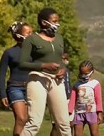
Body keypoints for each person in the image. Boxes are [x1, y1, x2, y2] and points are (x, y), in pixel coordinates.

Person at [18, 8, 72, 136]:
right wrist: (43, 65)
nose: (57, 24)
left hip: (57, 81)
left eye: (58, 21)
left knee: (64, 123)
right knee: (34, 122)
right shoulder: (31, 39)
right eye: (54, 21)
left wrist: (63, 69)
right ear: (44, 23)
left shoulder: (59, 39)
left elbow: (61, 60)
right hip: (38, 79)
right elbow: (22, 63)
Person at [0, 21, 33, 136]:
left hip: (31, 89)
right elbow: (2, 75)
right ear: (19, 35)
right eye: (28, 33)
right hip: (15, 88)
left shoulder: (34, 52)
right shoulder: (9, 53)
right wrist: (2, 94)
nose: (31, 35)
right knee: (21, 118)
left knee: (28, 121)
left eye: (31, 32)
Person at [68, 60, 103, 136]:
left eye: (86, 74)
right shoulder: (76, 85)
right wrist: (69, 113)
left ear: (92, 72)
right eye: (82, 73)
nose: (84, 75)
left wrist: (99, 113)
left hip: (92, 112)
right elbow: (72, 100)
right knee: (77, 134)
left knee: (94, 133)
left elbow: (98, 99)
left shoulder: (95, 84)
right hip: (79, 113)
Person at [52, 52, 73, 136]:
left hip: (68, 98)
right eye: (63, 59)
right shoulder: (54, 70)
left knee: (70, 123)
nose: (65, 61)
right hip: (58, 99)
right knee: (56, 125)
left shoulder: (67, 70)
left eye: (66, 59)